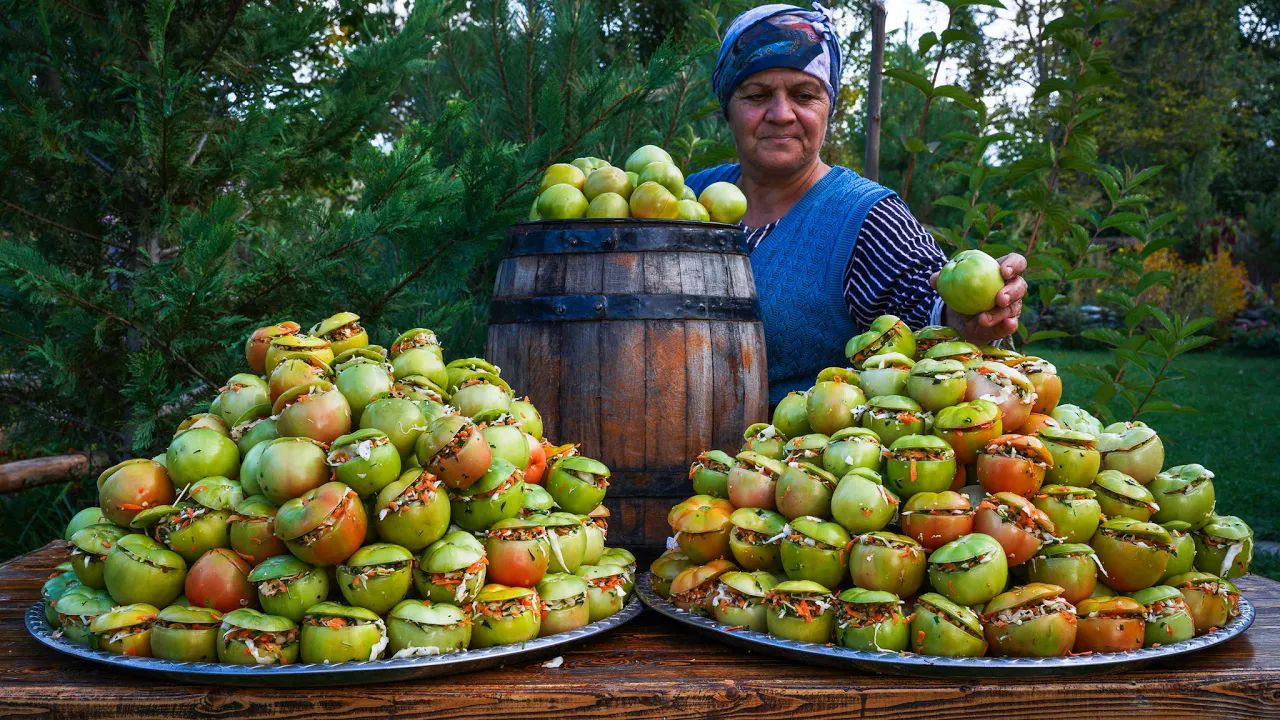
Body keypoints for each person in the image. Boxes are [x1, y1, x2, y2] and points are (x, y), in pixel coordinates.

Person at [685, 3, 1028, 405]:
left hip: (797, 460)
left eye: (804, 94)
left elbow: (931, 312)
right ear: (728, 107)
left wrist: (976, 314)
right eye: (757, 94)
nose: (780, 114)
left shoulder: (863, 217)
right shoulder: (691, 198)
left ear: (828, 106)